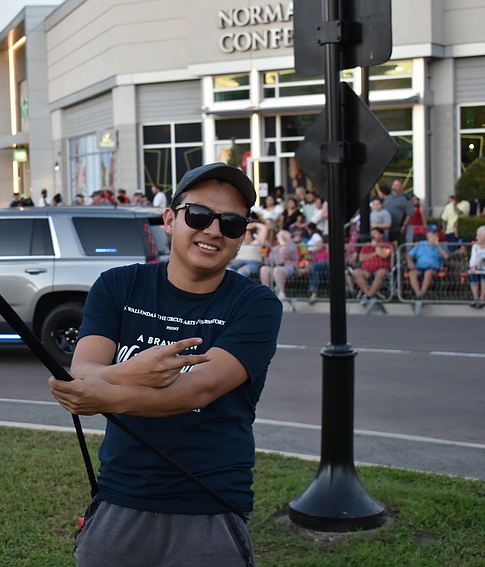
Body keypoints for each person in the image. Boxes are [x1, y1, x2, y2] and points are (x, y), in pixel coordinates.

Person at [48, 162, 282, 566]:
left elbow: (199, 389)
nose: (212, 231)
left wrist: (103, 391)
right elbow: (81, 371)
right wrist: (129, 373)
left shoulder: (256, 305)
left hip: (210, 504)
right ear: (170, 220)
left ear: (241, 237)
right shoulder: (118, 286)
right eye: (199, 216)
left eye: (231, 224)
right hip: (120, 497)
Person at [353, 227, 395, 306]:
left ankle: (368, 296)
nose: (372, 235)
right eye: (372, 234)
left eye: (375, 233)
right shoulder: (366, 246)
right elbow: (361, 258)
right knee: (356, 272)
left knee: (381, 273)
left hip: (381, 269)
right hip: (366, 270)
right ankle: (369, 295)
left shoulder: (388, 245)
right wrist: (375, 253)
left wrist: (376, 246)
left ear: (381, 235)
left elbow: (384, 255)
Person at [406, 224, 449, 300]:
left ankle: (422, 294)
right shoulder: (421, 244)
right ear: (427, 235)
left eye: (436, 233)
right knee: (412, 273)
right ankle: (418, 293)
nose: (434, 235)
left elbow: (446, 256)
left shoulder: (442, 245)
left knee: (428, 273)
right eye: (432, 233)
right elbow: (409, 255)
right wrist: (410, 262)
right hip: (420, 267)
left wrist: (438, 244)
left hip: (433, 268)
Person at [259, 229, 300, 300]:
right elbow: (271, 261)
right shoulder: (277, 247)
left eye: (280, 237)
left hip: (290, 267)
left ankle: (281, 293)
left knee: (277, 270)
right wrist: (265, 255)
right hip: (277, 267)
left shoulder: (292, 245)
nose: (278, 239)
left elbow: (283, 255)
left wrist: (282, 243)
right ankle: (267, 292)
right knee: (264, 269)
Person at [468, 224, 485, 309]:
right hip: (478, 266)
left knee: (484, 274)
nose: (476, 237)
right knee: (471, 274)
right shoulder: (475, 246)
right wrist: (472, 266)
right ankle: (476, 298)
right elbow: (473, 258)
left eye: (479, 235)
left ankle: (482, 298)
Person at [382, 179, 414, 244]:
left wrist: (404, 226)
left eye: (397, 185)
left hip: (399, 228)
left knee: (399, 246)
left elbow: (409, 214)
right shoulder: (388, 197)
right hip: (387, 227)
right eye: (394, 185)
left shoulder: (406, 198)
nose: (394, 187)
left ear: (401, 187)